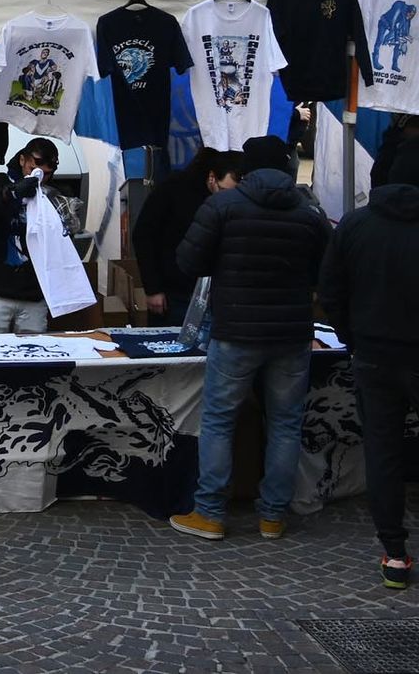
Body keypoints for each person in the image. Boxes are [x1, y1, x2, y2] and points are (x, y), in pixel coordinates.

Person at [169, 135, 330, 542]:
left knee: (220, 420)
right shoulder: (309, 214)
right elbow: (323, 272)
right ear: (288, 166)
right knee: (286, 423)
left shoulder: (223, 205)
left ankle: (209, 514)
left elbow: (189, 260)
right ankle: (273, 516)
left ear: (247, 170)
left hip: (236, 330)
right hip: (292, 332)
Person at [320, 143, 419, 588]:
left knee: (383, 451)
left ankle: (394, 553)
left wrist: (350, 338)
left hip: (374, 352)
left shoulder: (355, 226)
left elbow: (331, 291)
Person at [0, 138, 81, 335]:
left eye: (48, 173)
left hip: (34, 291)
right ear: (22, 160)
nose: (41, 176)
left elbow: (66, 241)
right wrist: (11, 194)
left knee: (34, 350)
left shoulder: (56, 194)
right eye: (34, 167)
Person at [129, 149, 242, 319]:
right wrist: (153, 288)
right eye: (224, 190)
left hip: (219, 293)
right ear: (212, 178)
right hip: (175, 291)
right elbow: (144, 236)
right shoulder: (173, 188)